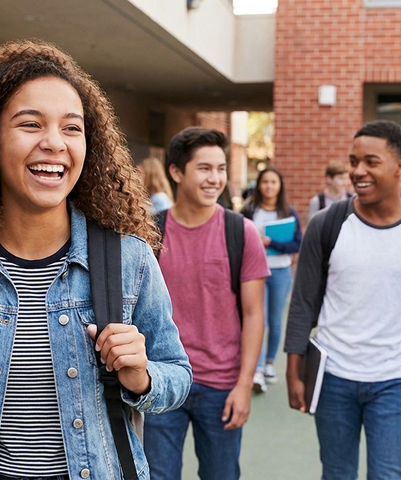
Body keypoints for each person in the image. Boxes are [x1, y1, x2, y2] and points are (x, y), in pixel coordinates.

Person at [0, 40, 192, 480]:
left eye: (72, 128)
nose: (54, 143)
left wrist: (141, 377)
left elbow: (177, 375)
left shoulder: (128, 258)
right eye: (30, 124)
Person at [284, 120, 401, 480]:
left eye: (371, 162)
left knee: (389, 476)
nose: (358, 171)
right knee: (337, 473)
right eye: (354, 161)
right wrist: (294, 370)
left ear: (399, 167)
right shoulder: (327, 225)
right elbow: (303, 302)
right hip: (333, 376)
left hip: (396, 379)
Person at [143, 127, 270, 480]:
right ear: (176, 172)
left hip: (221, 384)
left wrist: (245, 384)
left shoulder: (241, 232)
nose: (215, 179)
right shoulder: (148, 233)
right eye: (204, 168)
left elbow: (254, 313)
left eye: (221, 168)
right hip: (161, 380)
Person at [241, 167, 302, 393]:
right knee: (259, 320)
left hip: (281, 272)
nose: (268, 186)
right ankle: (256, 369)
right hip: (255, 273)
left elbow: (296, 244)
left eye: (273, 182)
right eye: (265, 182)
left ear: (280, 186)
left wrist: (271, 242)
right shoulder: (249, 211)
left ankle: (269, 364)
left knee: (275, 320)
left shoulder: (288, 212)